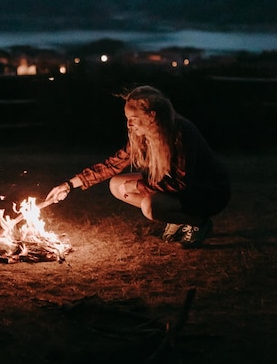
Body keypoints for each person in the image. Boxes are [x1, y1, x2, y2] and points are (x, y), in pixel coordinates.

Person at [44, 85, 230, 248]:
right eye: (126, 118)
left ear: (152, 115)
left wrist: (137, 186)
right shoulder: (142, 136)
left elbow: (181, 183)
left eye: (133, 117)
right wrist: (68, 185)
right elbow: (112, 165)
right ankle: (175, 218)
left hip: (206, 193)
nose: (129, 124)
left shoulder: (180, 133)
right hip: (176, 191)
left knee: (150, 207)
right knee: (116, 184)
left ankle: (198, 222)